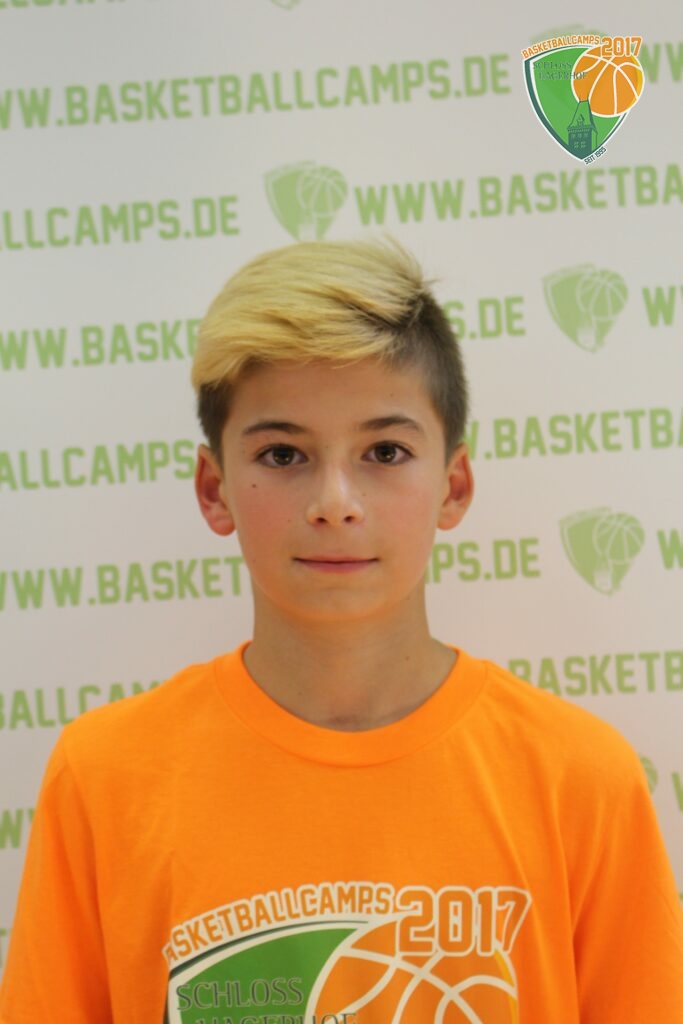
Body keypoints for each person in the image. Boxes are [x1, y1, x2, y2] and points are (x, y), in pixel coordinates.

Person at [1, 238, 682, 1024]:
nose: (334, 502)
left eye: (384, 451)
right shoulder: (104, 779)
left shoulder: (580, 782)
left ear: (453, 485)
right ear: (214, 489)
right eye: (282, 453)